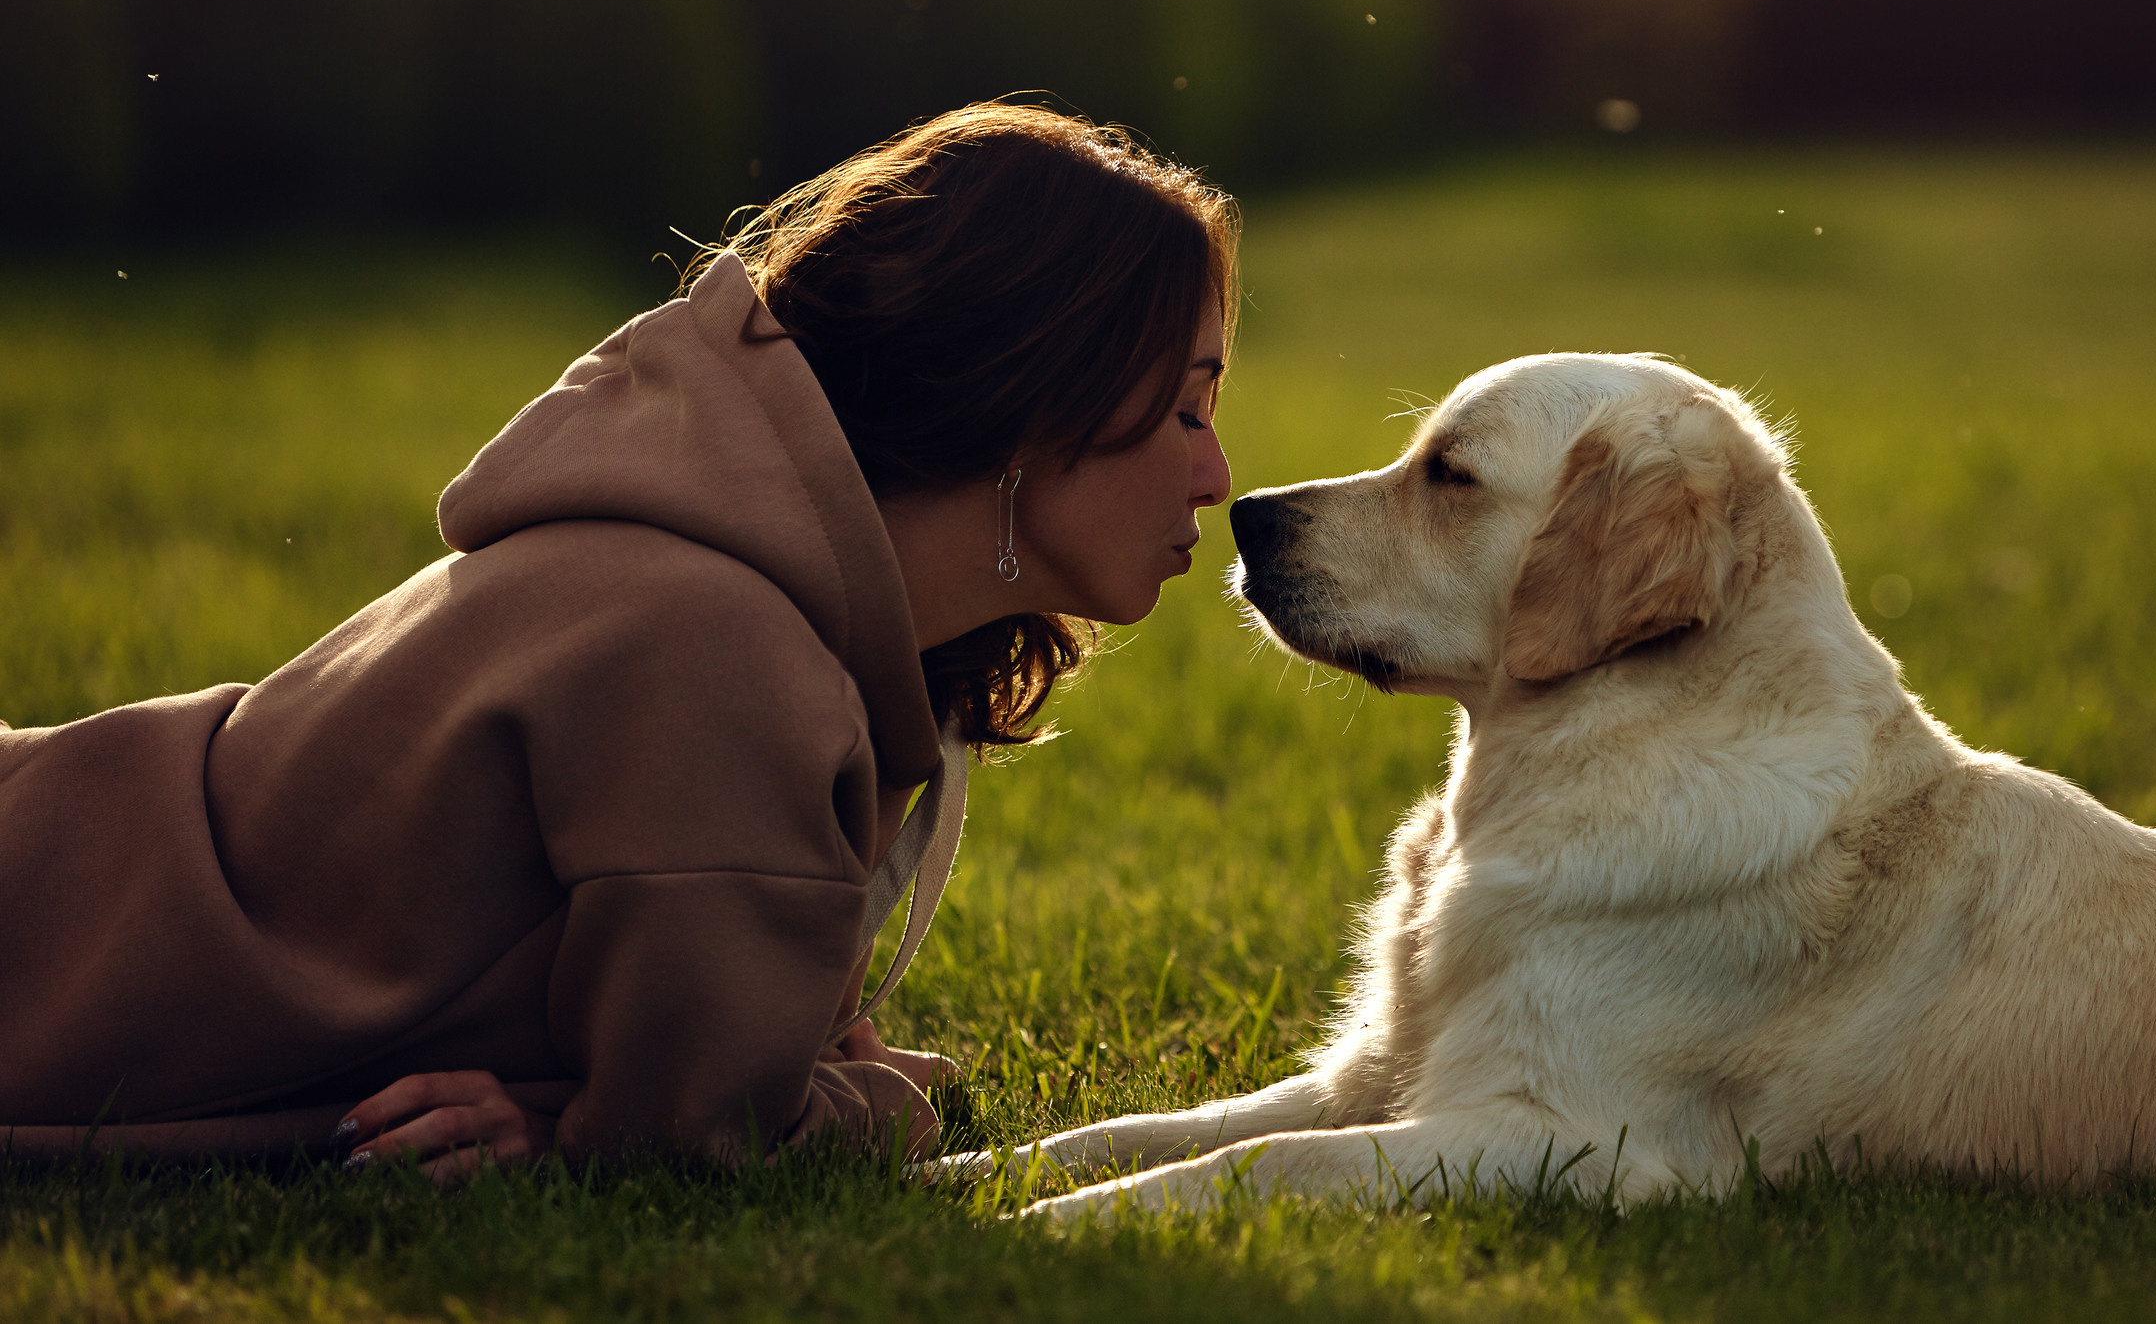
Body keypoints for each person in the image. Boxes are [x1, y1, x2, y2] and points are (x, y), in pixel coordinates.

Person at [0, 104, 1236, 1178]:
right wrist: (893, 1104)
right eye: (1185, 408)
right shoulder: (721, 646)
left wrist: (579, 1100)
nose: (1217, 474)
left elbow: (667, 1070)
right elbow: (704, 1140)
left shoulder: (743, 584)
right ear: (1030, 396)